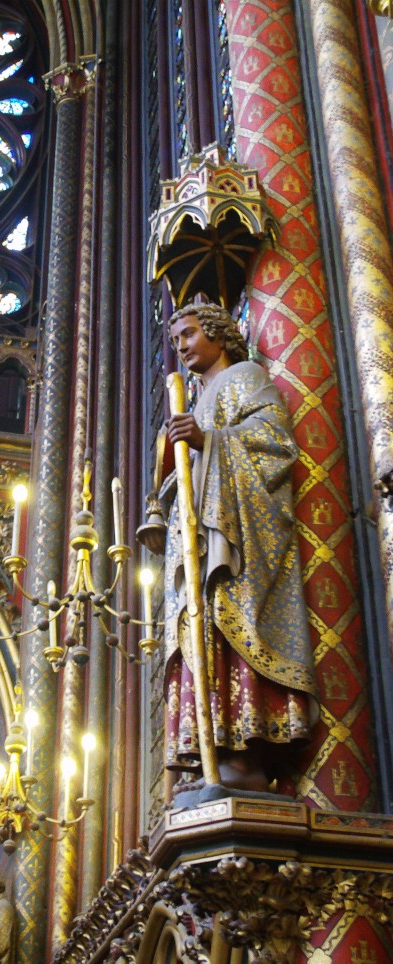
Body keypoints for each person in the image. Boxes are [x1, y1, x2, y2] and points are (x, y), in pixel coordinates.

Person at [140, 302, 317, 794]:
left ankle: (242, 756)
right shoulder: (195, 398)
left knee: (227, 628)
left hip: (234, 543)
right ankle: (207, 756)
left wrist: (209, 441)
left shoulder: (242, 375)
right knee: (195, 637)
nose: (181, 346)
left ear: (220, 334)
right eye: (175, 339)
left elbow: (274, 441)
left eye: (190, 334)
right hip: (197, 541)